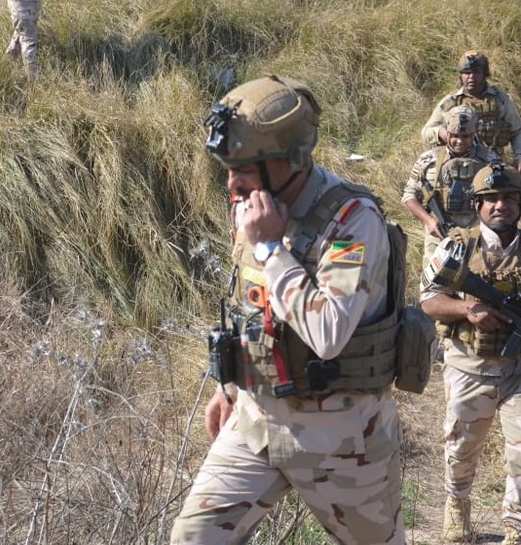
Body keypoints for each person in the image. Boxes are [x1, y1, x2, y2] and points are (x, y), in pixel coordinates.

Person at [172, 75, 406, 544]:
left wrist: (270, 250)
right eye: (227, 167)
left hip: (341, 440)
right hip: (258, 424)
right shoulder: (255, 205)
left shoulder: (353, 221)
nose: (232, 182)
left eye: (246, 167)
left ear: (291, 160)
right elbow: (253, 310)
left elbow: (329, 333)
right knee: (192, 539)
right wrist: (235, 389)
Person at [420, 162, 521, 545]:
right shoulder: (456, 246)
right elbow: (430, 300)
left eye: (508, 198)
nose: (500, 205)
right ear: (477, 205)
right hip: (469, 367)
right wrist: (467, 310)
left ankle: (517, 530)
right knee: (461, 447)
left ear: (520, 203)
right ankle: (457, 505)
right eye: (490, 199)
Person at [402, 105, 496, 268]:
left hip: (478, 232)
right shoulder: (428, 160)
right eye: (454, 136)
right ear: (446, 132)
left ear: (473, 134)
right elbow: (409, 195)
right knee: (434, 284)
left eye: (465, 136)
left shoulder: (490, 160)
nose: (459, 141)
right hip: (439, 233)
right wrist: (428, 220)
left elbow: (504, 195)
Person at [421, 50, 521, 176]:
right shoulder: (450, 103)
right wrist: (443, 133)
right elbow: (426, 131)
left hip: (492, 165)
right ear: (460, 76)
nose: (471, 77)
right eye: (467, 73)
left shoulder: (500, 100)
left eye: (477, 72)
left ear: (485, 74)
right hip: (458, 167)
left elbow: (518, 132)